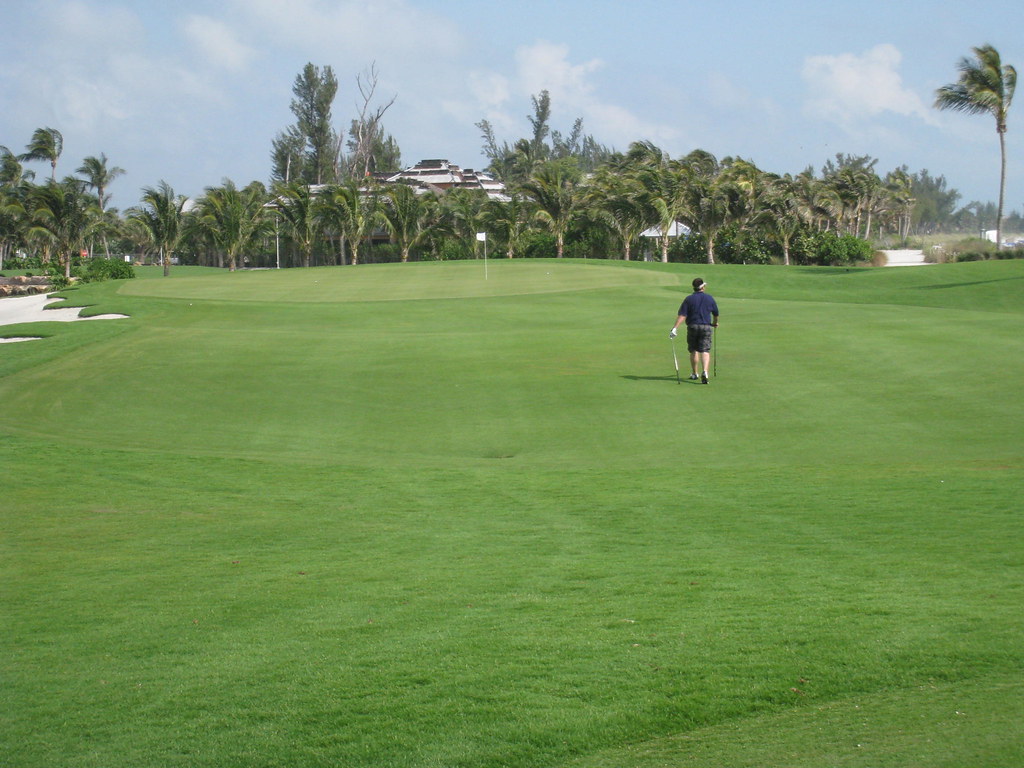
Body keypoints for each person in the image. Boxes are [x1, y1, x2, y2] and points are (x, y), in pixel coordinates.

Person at [670, 278, 719, 384]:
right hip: (706, 327)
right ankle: (705, 372)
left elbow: (683, 315)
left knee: (694, 350)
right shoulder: (709, 298)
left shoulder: (689, 299)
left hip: (692, 327)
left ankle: (694, 373)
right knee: (705, 351)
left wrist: (675, 328)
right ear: (702, 287)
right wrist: (715, 323)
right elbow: (715, 314)